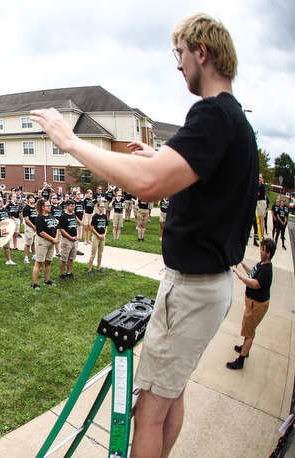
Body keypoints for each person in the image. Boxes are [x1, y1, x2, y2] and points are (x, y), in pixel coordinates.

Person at [31, 14, 257, 456]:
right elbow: (200, 176)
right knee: (171, 394)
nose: (178, 65)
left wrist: (70, 142)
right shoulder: (236, 120)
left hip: (190, 290)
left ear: (201, 52)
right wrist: (160, 156)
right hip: (209, 287)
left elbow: (150, 185)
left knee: (148, 411)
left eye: (180, 54)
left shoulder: (211, 113)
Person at [228, 238, 275, 370]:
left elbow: (254, 283)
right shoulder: (262, 264)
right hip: (253, 303)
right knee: (248, 327)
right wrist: (242, 264)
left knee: (249, 332)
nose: (260, 251)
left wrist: (239, 275)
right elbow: (253, 274)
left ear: (268, 253)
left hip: (258, 305)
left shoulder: (267, 270)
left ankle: (241, 360)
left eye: (263, 250)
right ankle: (245, 348)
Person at [31, 199, 58, 290]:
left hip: (51, 242)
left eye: (50, 205)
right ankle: (34, 283)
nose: (50, 207)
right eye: (47, 206)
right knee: (39, 263)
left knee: (48, 262)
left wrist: (56, 238)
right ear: (42, 207)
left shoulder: (51, 216)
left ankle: (47, 280)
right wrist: (52, 239)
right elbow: (41, 232)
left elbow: (56, 227)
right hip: (42, 242)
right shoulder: (39, 218)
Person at [57, 199, 79, 280]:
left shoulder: (73, 215)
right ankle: (62, 274)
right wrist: (70, 237)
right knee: (64, 258)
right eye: (71, 206)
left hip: (74, 239)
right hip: (67, 240)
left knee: (71, 257)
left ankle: (69, 272)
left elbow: (76, 226)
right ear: (67, 206)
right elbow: (61, 229)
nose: (73, 207)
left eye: (74, 206)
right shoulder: (63, 216)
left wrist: (77, 235)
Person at [87, 202, 109, 275]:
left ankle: (98, 267)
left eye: (103, 207)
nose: (102, 208)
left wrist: (104, 235)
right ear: (97, 207)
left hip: (103, 236)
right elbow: (91, 227)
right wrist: (98, 235)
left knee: (100, 253)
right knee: (93, 253)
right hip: (96, 236)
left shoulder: (105, 216)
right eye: (101, 207)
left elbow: (106, 226)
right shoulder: (95, 216)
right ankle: (90, 269)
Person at [256, 174, 267, 244]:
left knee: (261, 220)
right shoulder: (260, 186)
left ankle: (262, 236)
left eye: (260, 177)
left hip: (261, 203)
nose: (259, 178)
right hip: (259, 202)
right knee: (259, 221)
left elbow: (258, 193)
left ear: (263, 179)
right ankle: (260, 235)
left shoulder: (262, 186)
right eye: (259, 177)